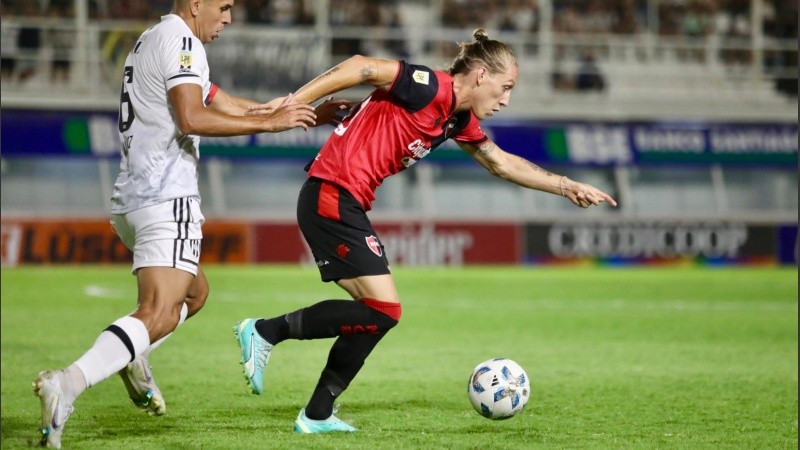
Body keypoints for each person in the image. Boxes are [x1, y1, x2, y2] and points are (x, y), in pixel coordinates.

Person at [233, 28, 617, 433]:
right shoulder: (429, 86)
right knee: (384, 310)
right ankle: (264, 331)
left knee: (378, 315)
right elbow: (360, 66)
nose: (506, 100)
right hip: (332, 193)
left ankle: (317, 414)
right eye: (505, 88)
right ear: (481, 74)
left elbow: (500, 162)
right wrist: (295, 102)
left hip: (341, 200)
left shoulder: (457, 117)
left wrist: (566, 185)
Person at [31, 1, 338, 448]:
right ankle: (68, 384)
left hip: (135, 198)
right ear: (197, 4)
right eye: (224, 6)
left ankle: (134, 357)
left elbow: (224, 102)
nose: (229, 17)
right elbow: (192, 117)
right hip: (164, 197)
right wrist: (273, 125)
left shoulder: (154, 38)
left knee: (195, 293)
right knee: (157, 312)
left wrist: (301, 111)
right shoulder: (183, 41)